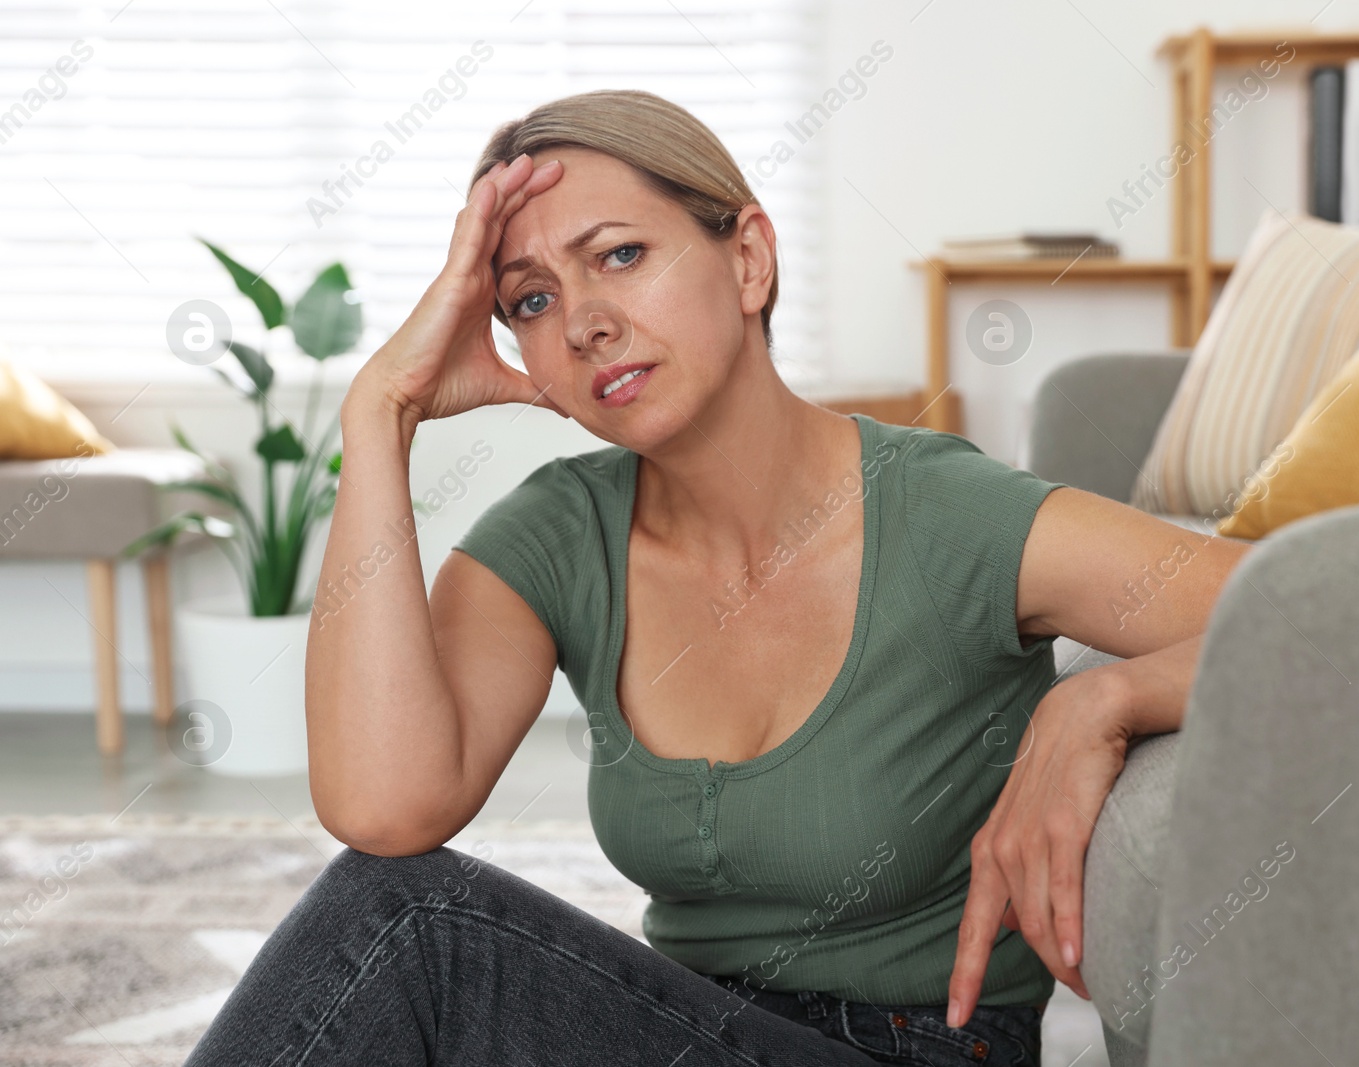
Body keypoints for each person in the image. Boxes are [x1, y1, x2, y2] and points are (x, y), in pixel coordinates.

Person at [184, 89, 1248, 1066]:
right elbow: (383, 807)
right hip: (684, 1023)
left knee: (414, 933)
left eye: (619, 255)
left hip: (915, 1047)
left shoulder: (948, 515)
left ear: (748, 260)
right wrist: (380, 412)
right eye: (532, 300)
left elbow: (1312, 614)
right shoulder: (561, 535)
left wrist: (1099, 696)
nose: (584, 321)